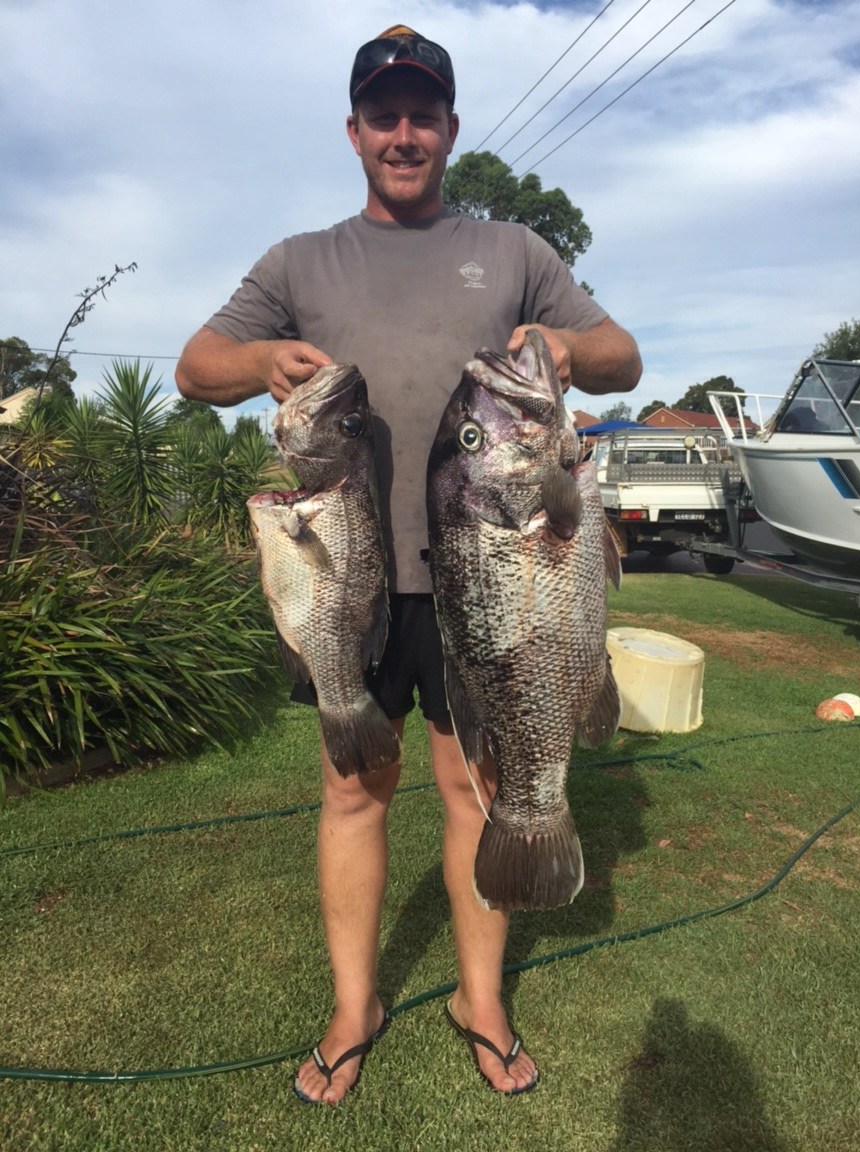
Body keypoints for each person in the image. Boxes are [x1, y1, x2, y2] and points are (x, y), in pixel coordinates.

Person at [176, 24, 641, 1105]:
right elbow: (199, 366)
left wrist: (571, 349)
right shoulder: (300, 261)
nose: (403, 132)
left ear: (449, 128)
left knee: (474, 791)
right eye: (383, 113)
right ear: (354, 131)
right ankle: (356, 1005)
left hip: (490, 580)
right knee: (354, 792)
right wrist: (255, 360)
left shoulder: (516, 249)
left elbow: (624, 356)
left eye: (421, 112)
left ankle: (480, 1000)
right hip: (352, 579)